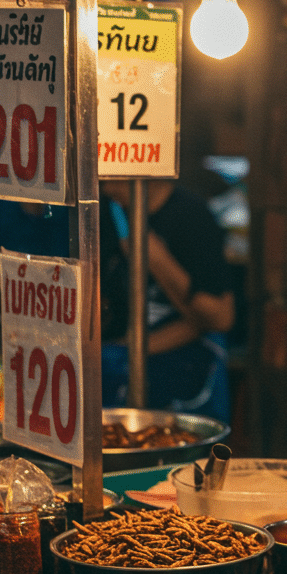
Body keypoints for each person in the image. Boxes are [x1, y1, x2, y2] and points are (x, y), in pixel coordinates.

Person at [99, 179, 235, 423]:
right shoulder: (111, 212)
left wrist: (157, 260)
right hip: (122, 366)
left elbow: (220, 318)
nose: (107, 189)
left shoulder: (193, 217)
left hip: (187, 372)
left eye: (115, 180)